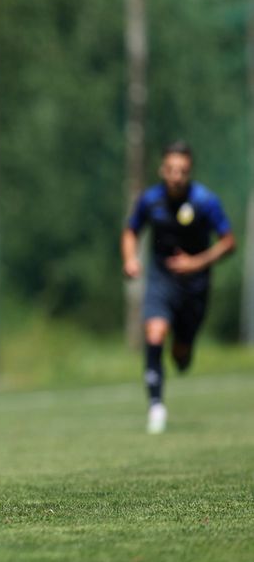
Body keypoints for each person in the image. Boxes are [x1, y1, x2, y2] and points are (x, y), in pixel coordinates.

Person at [122, 141, 235, 434]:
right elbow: (131, 231)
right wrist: (130, 259)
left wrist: (196, 263)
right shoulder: (150, 200)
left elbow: (228, 242)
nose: (175, 176)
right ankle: (156, 407)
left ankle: (184, 349)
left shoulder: (205, 201)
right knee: (155, 332)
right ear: (162, 169)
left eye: (182, 171)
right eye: (170, 170)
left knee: (180, 355)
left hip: (195, 285)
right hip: (161, 279)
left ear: (190, 172)